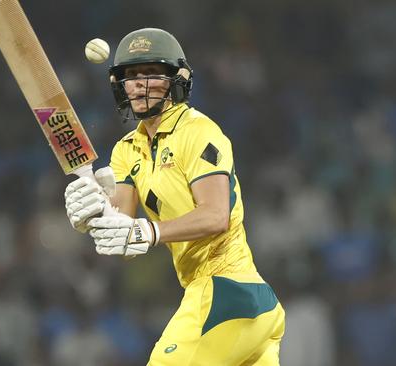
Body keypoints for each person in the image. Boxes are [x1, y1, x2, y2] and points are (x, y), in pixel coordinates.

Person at [64, 28, 285, 365]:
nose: (139, 84)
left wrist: (148, 231)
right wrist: (93, 216)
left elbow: (215, 216)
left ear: (176, 79)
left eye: (150, 73)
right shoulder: (126, 151)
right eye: (130, 76)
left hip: (227, 291)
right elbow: (124, 236)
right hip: (231, 304)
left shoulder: (198, 132)